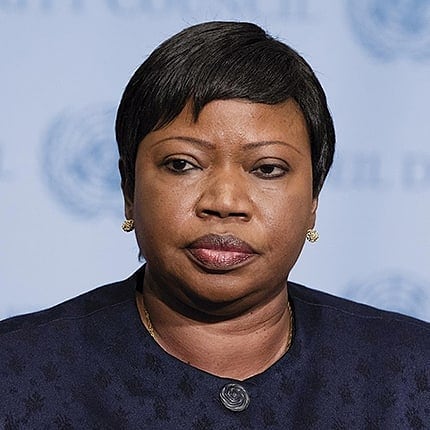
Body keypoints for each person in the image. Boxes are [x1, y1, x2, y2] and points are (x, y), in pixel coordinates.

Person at [1, 21, 429, 430]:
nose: (224, 203)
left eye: (267, 169)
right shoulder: (16, 371)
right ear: (128, 187)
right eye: (182, 164)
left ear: (314, 198)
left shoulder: (410, 372)